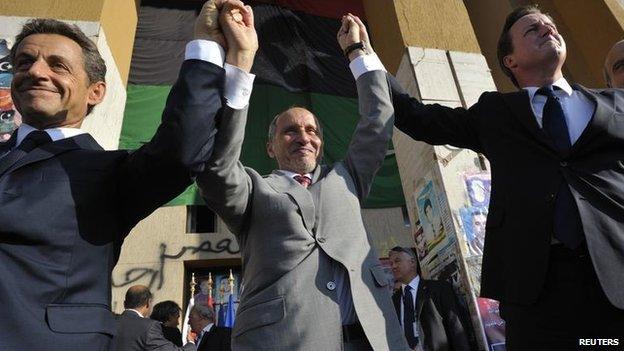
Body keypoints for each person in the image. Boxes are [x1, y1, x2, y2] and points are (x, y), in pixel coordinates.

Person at [372, 4, 624, 349]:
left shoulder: (615, 106)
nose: (547, 29)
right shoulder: (497, 115)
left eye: (550, 25)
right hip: (536, 293)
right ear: (511, 61)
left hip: (616, 276)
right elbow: (418, 117)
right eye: (532, 29)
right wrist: (363, 58)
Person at [0, 6, 234, 350]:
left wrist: (206, 48)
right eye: (24, 62)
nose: (35, 71)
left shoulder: (110, 174)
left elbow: (182, 149)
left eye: (57, 65)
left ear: (95, 92)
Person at [194, 4, 407, 350]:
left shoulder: (347, 176)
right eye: (290, 131)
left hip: (373, 339)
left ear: (321, 145)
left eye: (311, 131)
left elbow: (378, 119)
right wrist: (239, 66)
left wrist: (358, 54)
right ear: (270, 147)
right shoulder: (253, 190)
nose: (303, 137)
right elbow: (216, 167)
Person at [388, 247, 470, 351]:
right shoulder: (393, 301)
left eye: (397, 261)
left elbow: (456, 327)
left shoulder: (438, 289)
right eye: (391, 264)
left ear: (412, 262)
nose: (393, 266)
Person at [114, 286, 195, 351]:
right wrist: (191, 343)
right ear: (147, 303)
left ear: (124, 303)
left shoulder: (110, 322)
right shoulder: (149, 327)